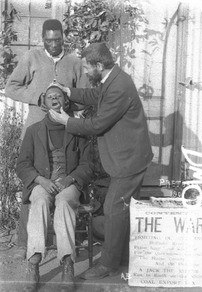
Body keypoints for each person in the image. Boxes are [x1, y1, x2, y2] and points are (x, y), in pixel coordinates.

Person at [50, 42, 154, 280]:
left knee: (113, 209)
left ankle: (108, 264)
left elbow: (97, 125)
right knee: (122, 210)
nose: (85, 72)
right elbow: (96, 95)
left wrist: (66, 121)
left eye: (87, 68)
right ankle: (124, 257)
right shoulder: (113, 79)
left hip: (128, 160)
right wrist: (69, 92)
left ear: (99, 65)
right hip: (128, 156)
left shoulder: (119, 86)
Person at [5, 19, 88, 259]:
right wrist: (38, 97)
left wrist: (68, 102)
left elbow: (84, 96)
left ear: (64, 38)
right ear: (42, 39)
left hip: (65, 130)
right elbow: (11, 87)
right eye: (49, 40)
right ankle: (25, 243)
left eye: (58, 40)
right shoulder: (31, 57)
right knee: (32, 182)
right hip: (36, 130)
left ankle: (72, 239)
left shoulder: (74, 62)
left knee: (69, 181)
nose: (53, 44)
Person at [16, 82, 93, 289]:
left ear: (66, 101)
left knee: (64, 203)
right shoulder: (33, 131)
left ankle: (67, 264)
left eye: (58, 96)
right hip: (43, 182)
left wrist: (71, 179)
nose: (54, 99)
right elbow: (22, 165)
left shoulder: (78, 130)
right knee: (39, 201)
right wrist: (40, 180)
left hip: (70, 182)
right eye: (49, 96)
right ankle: (33, 263)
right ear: (44, 102)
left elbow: (88, 164)